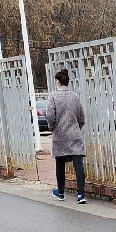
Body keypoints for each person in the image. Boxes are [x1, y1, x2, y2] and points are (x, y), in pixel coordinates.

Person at [45, 68, 87, 204]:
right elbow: (81, 117)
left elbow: (50, 115)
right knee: (78, 165)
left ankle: (61, 193)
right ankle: (81, 195)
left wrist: (52, 128)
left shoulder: (53, 96)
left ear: (57, 81)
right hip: (75, 134)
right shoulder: (74, 96)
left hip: (60, 135)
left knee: (60, 164)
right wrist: (76, 127)